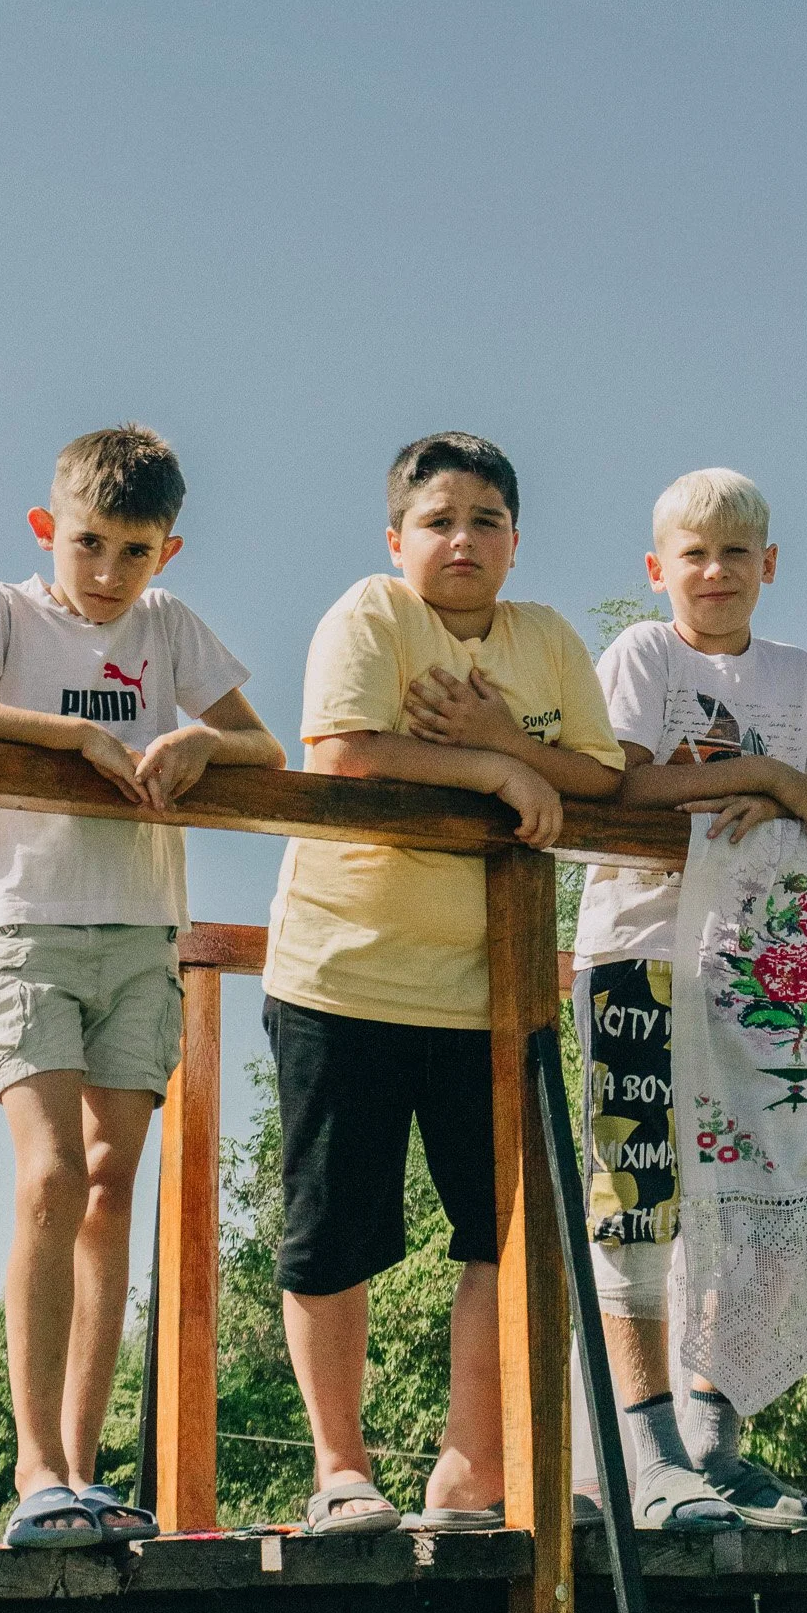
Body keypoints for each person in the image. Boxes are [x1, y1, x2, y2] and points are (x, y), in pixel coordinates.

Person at [0, 425, 284, 1547]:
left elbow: (267, 747)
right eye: (89, 544)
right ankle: (35, 1466)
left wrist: (204, 745)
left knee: (115, 1183)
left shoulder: (168, 629)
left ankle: (82, 1465)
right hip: (34, 924)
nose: (107, 571)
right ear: (47, 529)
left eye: (133, 549)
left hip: (142, 934)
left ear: (168, 551)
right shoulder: (4, 611)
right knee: (52, 1173)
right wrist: (67, 732)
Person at [262, 432, 625, 1532]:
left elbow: (603, 777)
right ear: (397, 538)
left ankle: (471, 1477)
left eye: (484, 521)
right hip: (347, 970)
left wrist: (507, 734)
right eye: (437, 519)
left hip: (496, 988)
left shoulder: (548, 638)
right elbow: (341, 750)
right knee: (335, 1228)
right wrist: (499, 765)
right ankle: (341, 1471)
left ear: (516, 542)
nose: (460, 538)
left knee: (507, 1229)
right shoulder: (372, 614)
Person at [571, 466, 807, 1530]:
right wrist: (755, 781)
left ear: (769, 565)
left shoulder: (797, 676)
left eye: (735, 553)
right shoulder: (644, 655)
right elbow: (611, 781)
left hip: (762, 978)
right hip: (639, 958)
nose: (715, 572)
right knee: (638, 1197)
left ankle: (718, 1435)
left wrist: (792, 789)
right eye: (693, 554)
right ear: (659, 568)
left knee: (765, 1206)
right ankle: (648, 1446)